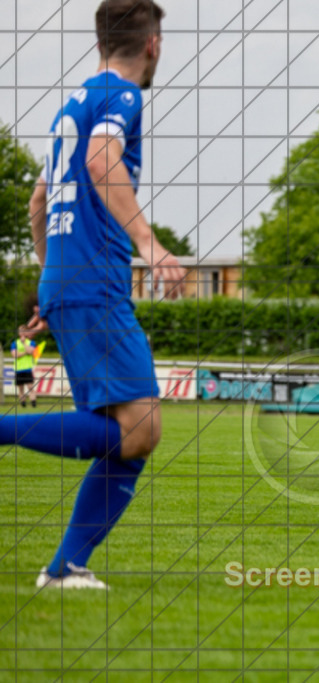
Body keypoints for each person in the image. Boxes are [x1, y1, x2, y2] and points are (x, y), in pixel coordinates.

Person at [4, 0, 186, 590]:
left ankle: (64, 569)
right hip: (94, 284)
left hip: (68, 281)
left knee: (124, 432)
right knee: (141, 428)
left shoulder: (73, 104)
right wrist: (150, 243)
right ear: (152, 44)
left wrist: (52, 279)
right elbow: (101, 160)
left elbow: (37, 203)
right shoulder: (122, 99)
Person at [11, 327, 39, 408]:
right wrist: (25, 352)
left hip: (27, 368)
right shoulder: (14, 343)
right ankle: (23, 404)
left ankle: (33, 403)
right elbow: (15, 355)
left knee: (30, 387)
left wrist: (24, 344)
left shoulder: (31, 342)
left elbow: (31, 351)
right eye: (20, 331)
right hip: (18, 369)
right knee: (21, 388)